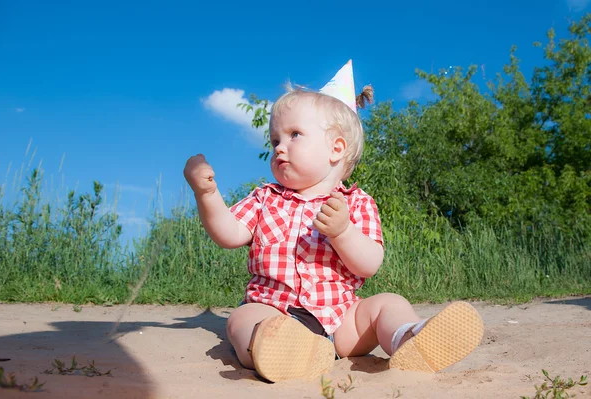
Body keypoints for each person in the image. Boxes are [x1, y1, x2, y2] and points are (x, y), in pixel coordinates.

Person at [183, 60, 484, 383]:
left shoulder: (356, 203)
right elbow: (229, 233)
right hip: (274, 308)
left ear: (336, 148)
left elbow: (369, 263)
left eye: (294, 135)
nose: (279, 148)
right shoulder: (264, 198)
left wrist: (342, 232)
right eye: (274, 141)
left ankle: (409, 338)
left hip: (340, 321)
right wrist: (207, 194)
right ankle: (279, 349)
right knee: (243, 319)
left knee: (387, 304)